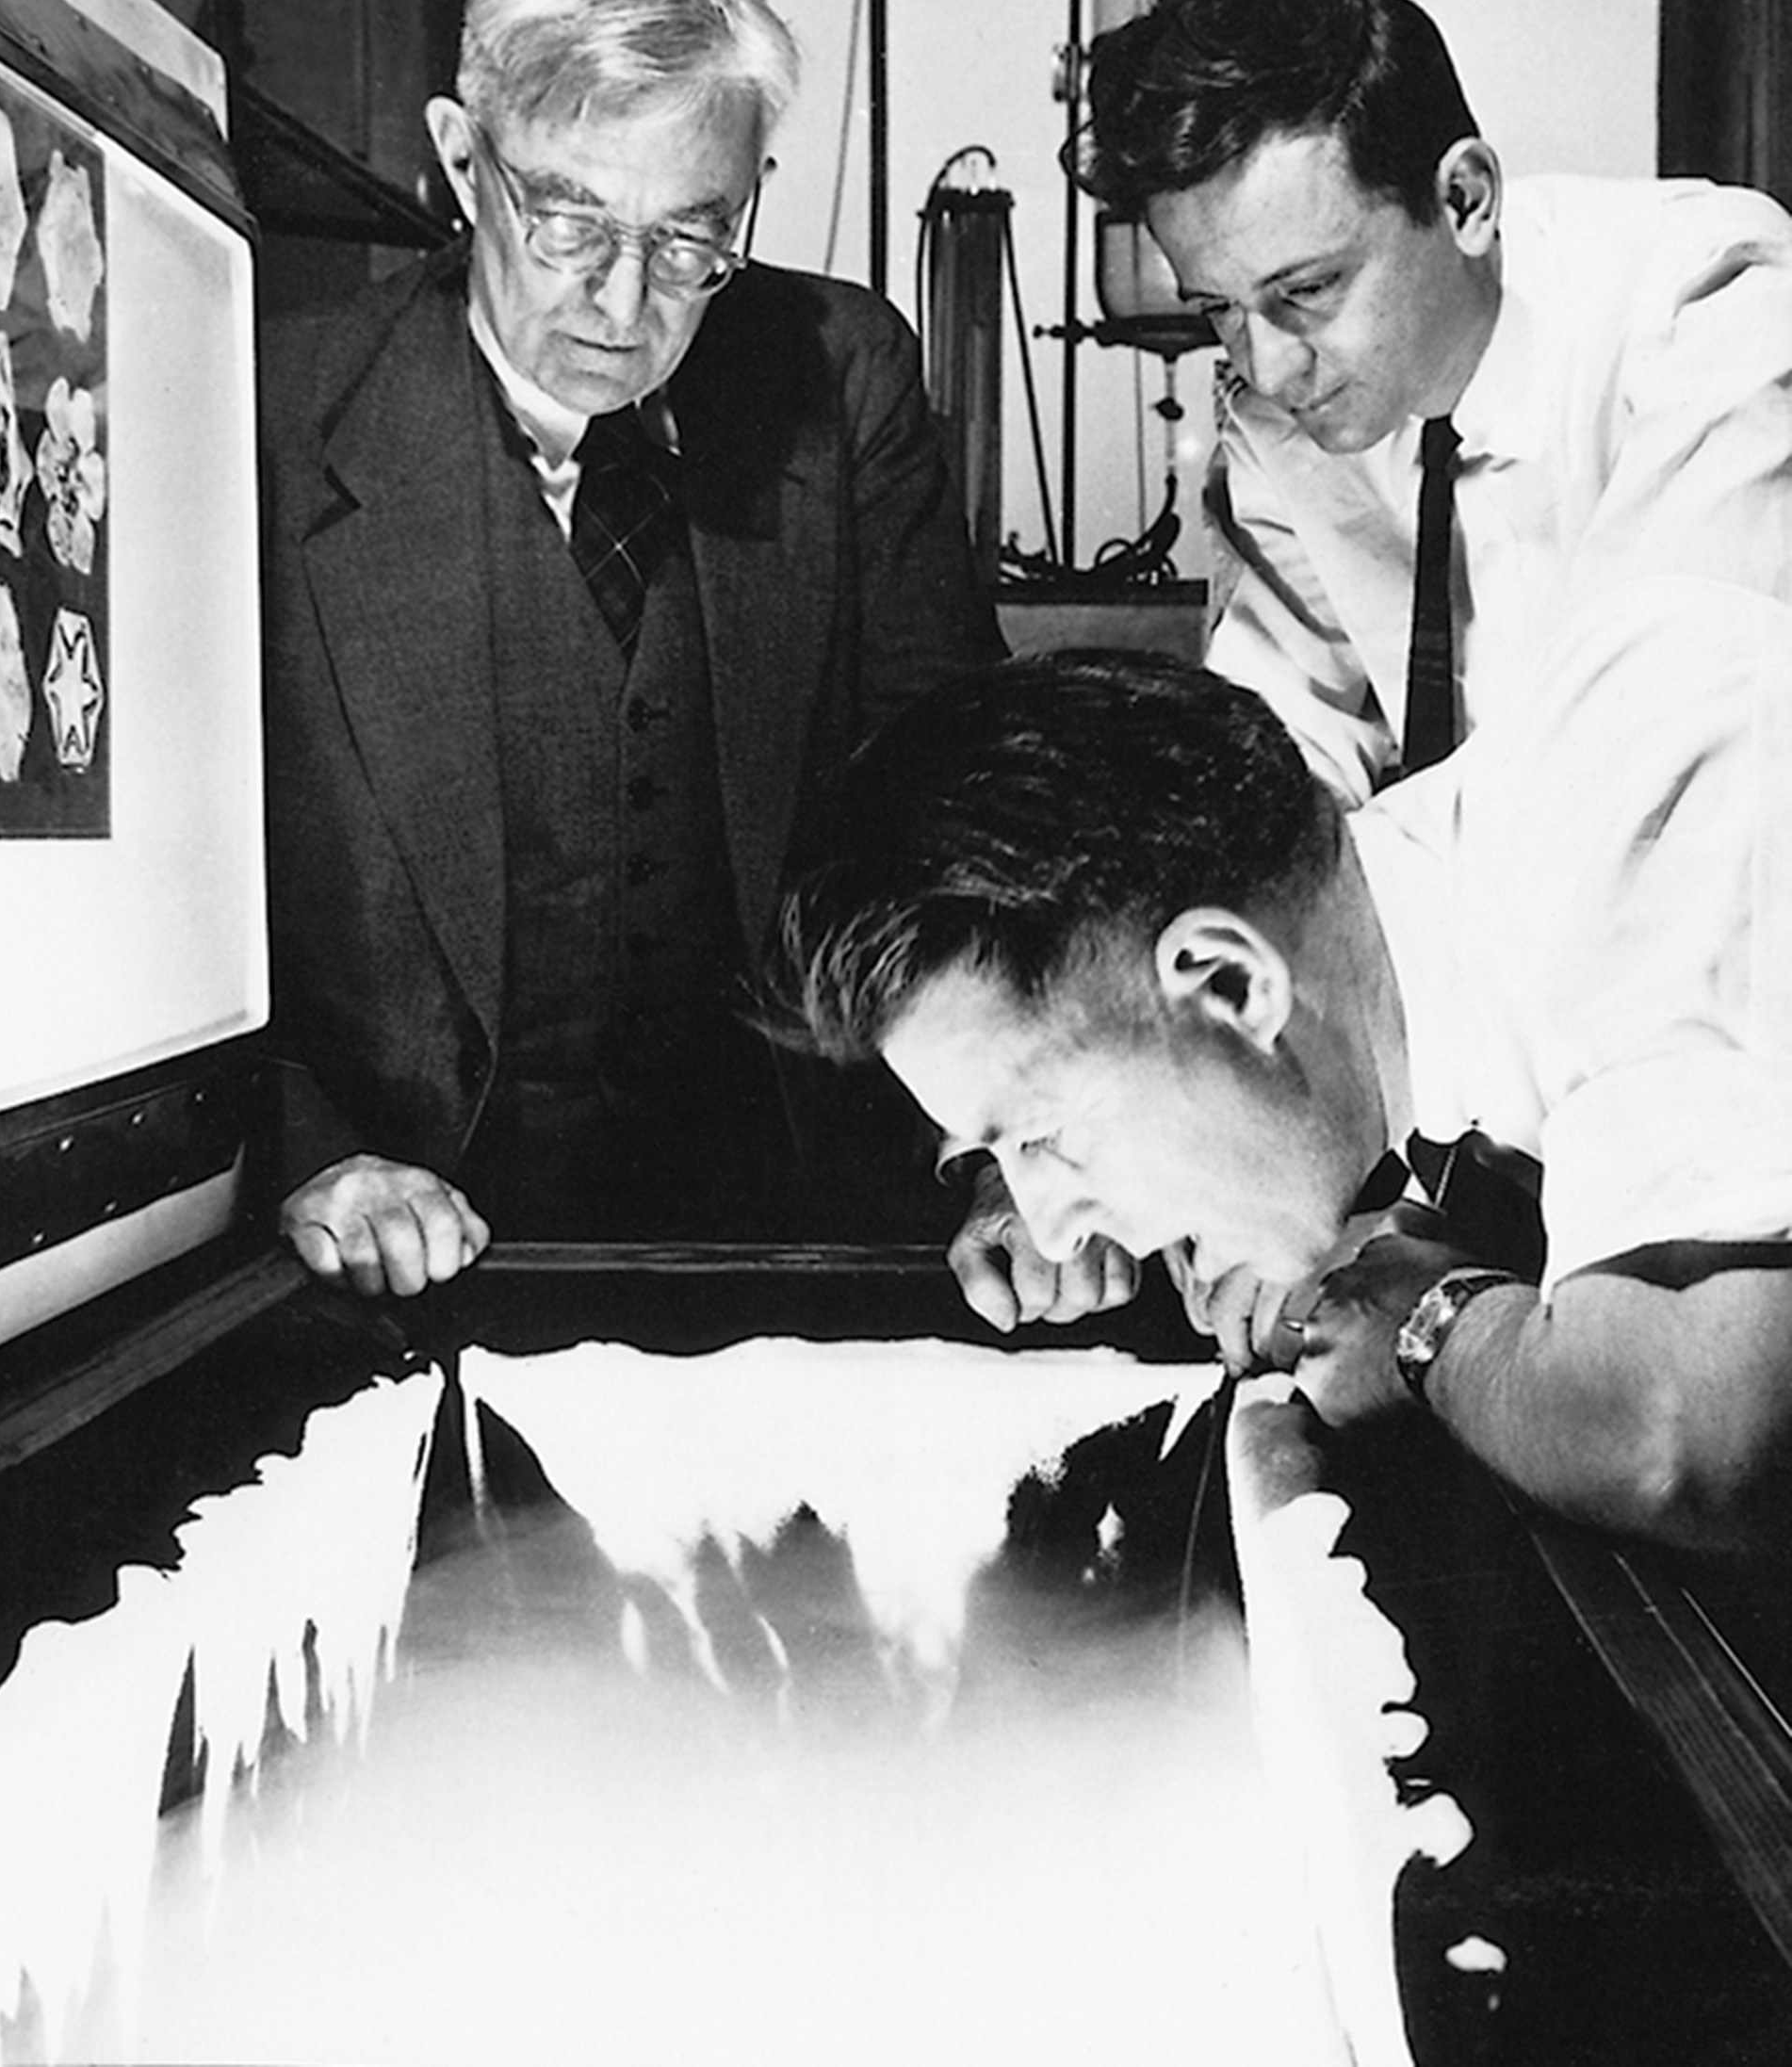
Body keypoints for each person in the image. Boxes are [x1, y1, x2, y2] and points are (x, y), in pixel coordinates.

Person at [260, 0, 1001, 1297]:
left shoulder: (841, 377)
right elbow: (190, 900)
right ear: (461, 159)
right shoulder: (277, 416)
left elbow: (961, 826)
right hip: (408, 1265)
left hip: (802, 1241)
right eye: (568, 220)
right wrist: (310, 1152)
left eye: (689, 241)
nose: (620, 300)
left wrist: (1004, 1153)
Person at [767, 597, 1792, 1551]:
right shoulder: (1452, 1002)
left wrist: (1429, 1323)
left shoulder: (1636, 766)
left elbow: (1688, 1437)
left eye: (1040, 1135)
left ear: (1227, 982)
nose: (1050, 1231)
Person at [1074, 0, 1792, 802]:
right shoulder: (1280, 422)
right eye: (1218, 310)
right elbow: (1282, 747)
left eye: (1306, 289)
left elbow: (1648, 780)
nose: (1265, 367)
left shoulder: (1709, 300)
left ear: (1465, 201)